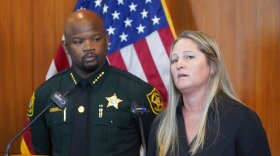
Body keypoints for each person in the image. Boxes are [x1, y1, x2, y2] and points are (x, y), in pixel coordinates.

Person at [26, 10, 163, 156]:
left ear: (107, 40)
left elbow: (157, 150)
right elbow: (41, 151)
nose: (89, 47)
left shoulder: (138, 93)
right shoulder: (44, 96)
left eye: (96, 39)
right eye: (79, 42)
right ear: (66, 47)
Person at [147, 31, 271, 156]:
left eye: (189, 57)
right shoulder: (161, 123)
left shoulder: (243, 119)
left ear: (213, 66)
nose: (179, 65)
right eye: (174, 60)